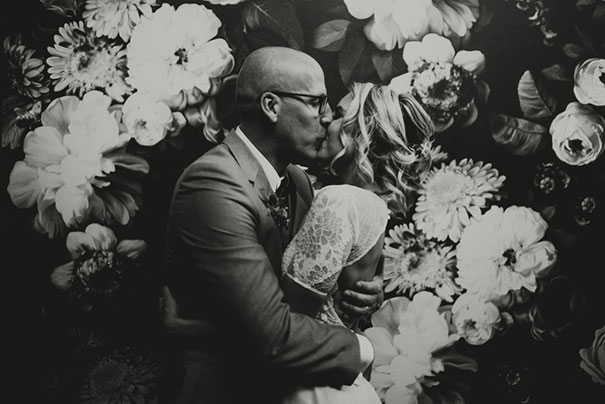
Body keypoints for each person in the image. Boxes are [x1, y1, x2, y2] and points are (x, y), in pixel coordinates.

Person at [163, 80, 437, 404]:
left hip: (310, 387)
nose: (325, 119)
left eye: (337, 114)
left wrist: (195, 329)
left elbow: (281, 332)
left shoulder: (338, 201)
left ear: (360, 135)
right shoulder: (370, 206)